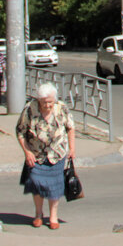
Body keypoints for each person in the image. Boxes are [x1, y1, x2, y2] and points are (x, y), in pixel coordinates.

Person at [16, 82, 76, 229]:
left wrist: (72, 148)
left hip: (57, 154)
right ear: (38, 100)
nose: (47, 105)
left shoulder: (61, 108)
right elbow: (20, 132)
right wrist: (27, 152)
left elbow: (70, 127)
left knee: (55, 187)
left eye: (50, 102)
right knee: (37, 184)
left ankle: (53, 216)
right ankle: (38, 214)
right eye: (44, 102)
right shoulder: (30, 109)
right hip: (36, 155)